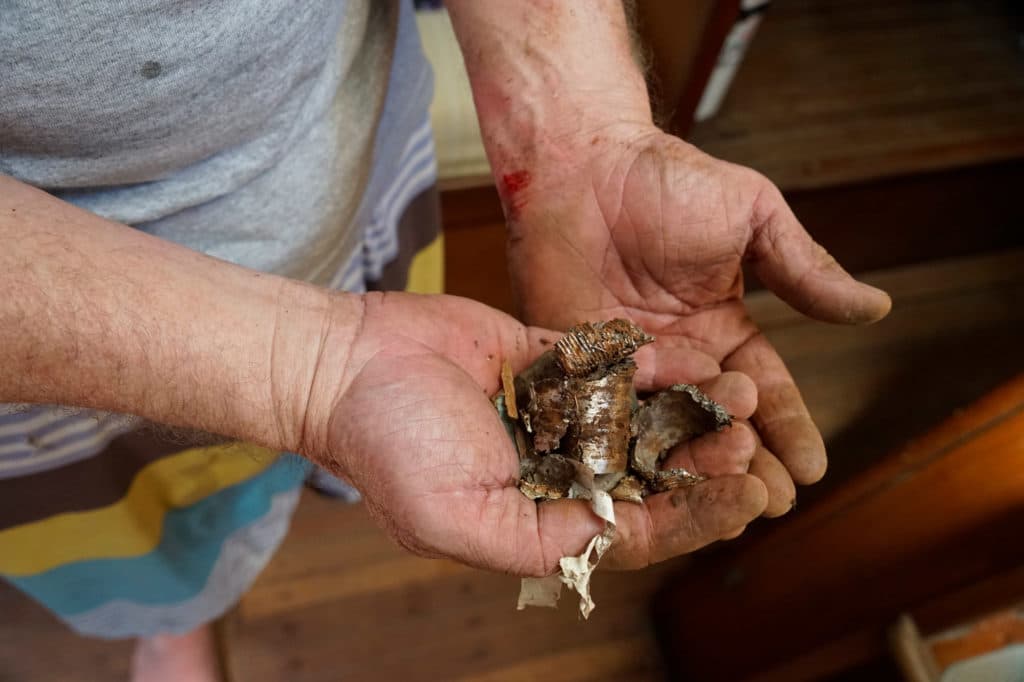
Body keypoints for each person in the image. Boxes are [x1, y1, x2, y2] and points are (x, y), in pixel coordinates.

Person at [0, 1, 891, 680]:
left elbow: (349, 365)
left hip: (353, 210)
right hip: (59, 350)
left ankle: (220, 558)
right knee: (138, 530)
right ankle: (169, 612)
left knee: (275, 472)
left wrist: (578, 139)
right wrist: (305, 372)